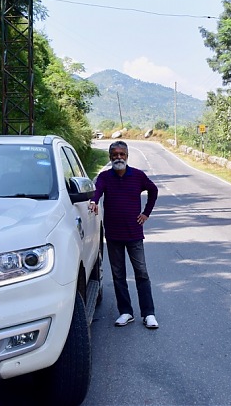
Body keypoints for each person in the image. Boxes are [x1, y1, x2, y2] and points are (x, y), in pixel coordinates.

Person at [88, 140, 160, 329]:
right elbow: (97, 192)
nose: (118, 157)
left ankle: (148, 314)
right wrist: (93, 201)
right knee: (118, 275)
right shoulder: (105, 177)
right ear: (110, 157)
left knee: (142, 274)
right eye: (115, 154)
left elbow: (153, 190)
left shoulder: (137, 176)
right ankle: (126, 312)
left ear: (127, 156)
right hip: (113, 235)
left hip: (134, 234)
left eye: (122, 154)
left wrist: (146, 213)